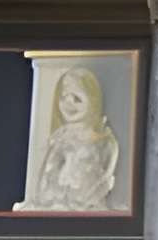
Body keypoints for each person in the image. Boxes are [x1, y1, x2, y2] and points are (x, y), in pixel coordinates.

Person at [25, 64, 121, 210]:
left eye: (77, 99)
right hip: (55, 205)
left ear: (93, 101)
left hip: (86, 208)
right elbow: (45, 175)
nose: (68, 104)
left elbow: (105, 178)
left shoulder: (103, 140)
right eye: (64, 97)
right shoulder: (58, 139)